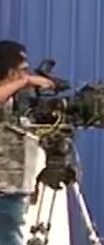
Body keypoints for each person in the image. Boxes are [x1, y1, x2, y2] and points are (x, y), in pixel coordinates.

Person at [0, 41, 55, 245]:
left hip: (17, 186)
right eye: (23, 70)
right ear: (11, 72)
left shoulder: (19, 100)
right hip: (4, 188)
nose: (27, 75)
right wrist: (26, 81)